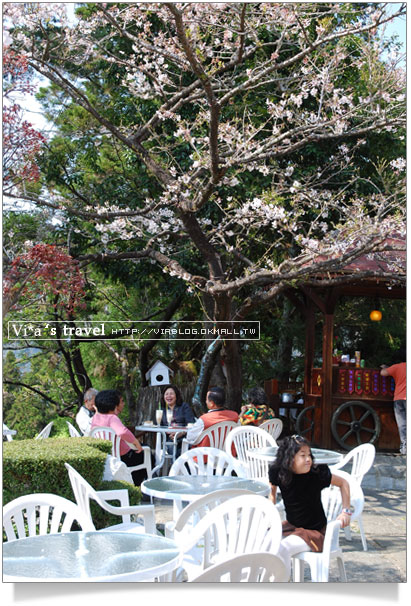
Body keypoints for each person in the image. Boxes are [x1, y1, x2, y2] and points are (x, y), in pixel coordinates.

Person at [268, 435, 351, 579]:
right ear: (289, 458)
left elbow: (344, 483)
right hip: (292, 526)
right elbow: (272, 494)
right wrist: (270, 515)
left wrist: (346, 511)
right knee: (263, 543)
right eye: (302, 455)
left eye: (309, 455)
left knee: (283, 549)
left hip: (315, 532)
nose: (308, 459)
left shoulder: (317, 473)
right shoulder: (278, 472)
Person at [91, 389, 149, 486]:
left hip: (107, 455)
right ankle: (137, 485)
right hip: (122, 457)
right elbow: (122, 432)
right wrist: (136, 442)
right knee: (148, 454)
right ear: (114, 404)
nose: (123, 404)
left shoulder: (96, 417)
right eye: (121, 401)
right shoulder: (112, 418)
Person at [380, 359, 406, 455]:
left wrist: (386, 367)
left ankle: (405, 448)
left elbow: (383, 373)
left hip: (399, 398)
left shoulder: (397, 367)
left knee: (402, 424)